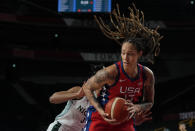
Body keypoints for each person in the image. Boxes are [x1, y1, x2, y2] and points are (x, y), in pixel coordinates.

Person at [83, 3, 163, 131]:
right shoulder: (110, 72)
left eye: (130, 54)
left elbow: (149, 102)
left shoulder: (147, 75)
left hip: (124, 120)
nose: (125, 58)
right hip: (101, 118)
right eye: (123, 53)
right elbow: (87, 88)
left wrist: (138, 107)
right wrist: (100, 109)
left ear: (139, 54)